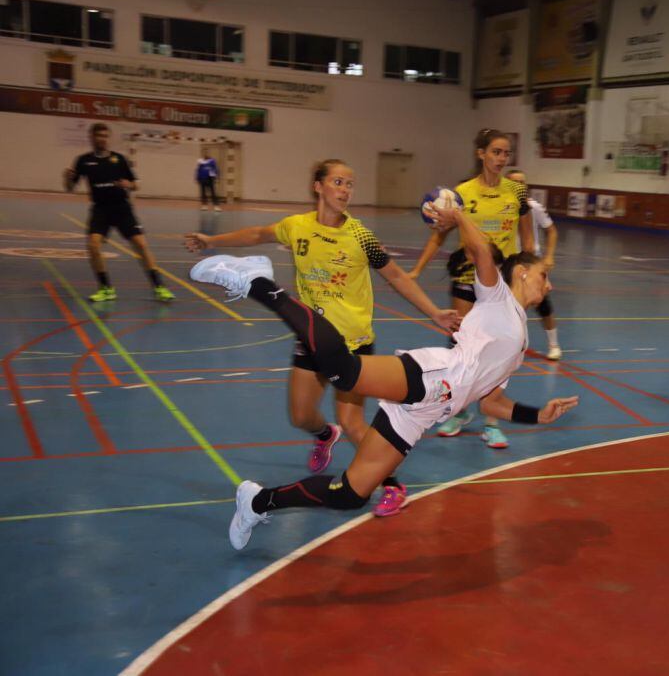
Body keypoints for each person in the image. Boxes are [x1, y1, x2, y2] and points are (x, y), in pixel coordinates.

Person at [188, 200, 578, 550]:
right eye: (544, 274)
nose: (550, 282)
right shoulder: (497, 296)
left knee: (350, 494)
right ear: (522, 272)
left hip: (425, 413)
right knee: (345, 373)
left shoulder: (520, 337)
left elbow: (492, 400)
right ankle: (259, 283)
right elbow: (479, 251)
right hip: (437, 375)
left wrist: (536, 415)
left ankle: (257, 502)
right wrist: (458, 214)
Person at [184, 159, 460, 518]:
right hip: (312, 337)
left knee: (353, 423)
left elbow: (396, 276)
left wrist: (435, 313)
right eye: (338, 182)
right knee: (300, 416)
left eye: (350, 184)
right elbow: (257, 235)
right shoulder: (296, 227)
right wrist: (211, 240)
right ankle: (323, 436)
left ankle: (392, 485)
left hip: (354, 345)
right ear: (318, 186)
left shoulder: (361, 236)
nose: (345, 190)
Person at [408, 129, 535, 448]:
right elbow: (440, 234)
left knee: (499, 351)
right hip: (466, 276)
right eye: (495, 152)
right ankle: (458, 410)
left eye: (506, 153)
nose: (501, 159)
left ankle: (491, 422)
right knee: (462, 346)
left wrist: (532, 268)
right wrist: (417, 269)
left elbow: (528, 236)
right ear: (481, 154)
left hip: (501, 282)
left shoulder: (517, 192)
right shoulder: (460, 193)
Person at [63, 122, 174, 303]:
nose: (102, 139)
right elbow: (69, 188)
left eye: (105, 136)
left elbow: (136, 184)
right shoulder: (83, 161)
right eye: (99, 136)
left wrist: (128, 184)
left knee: (141, 245)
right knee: (93, 245)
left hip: (122, 208)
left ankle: (159, 287)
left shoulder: (119, 159)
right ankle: (106, 289)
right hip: (100, 209)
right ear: (91, 138)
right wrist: (66, 178)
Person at [506, 168, 562, 360]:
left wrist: (549, 256)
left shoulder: (534, 207)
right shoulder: (502, 205)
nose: (520, 186)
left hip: (531, 262)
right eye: (515, 182)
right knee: (511, 305)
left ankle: (554, 344)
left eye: (523, 182)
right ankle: (513, 344)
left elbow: (552, 231)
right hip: (509, 263)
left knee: (543, 304)